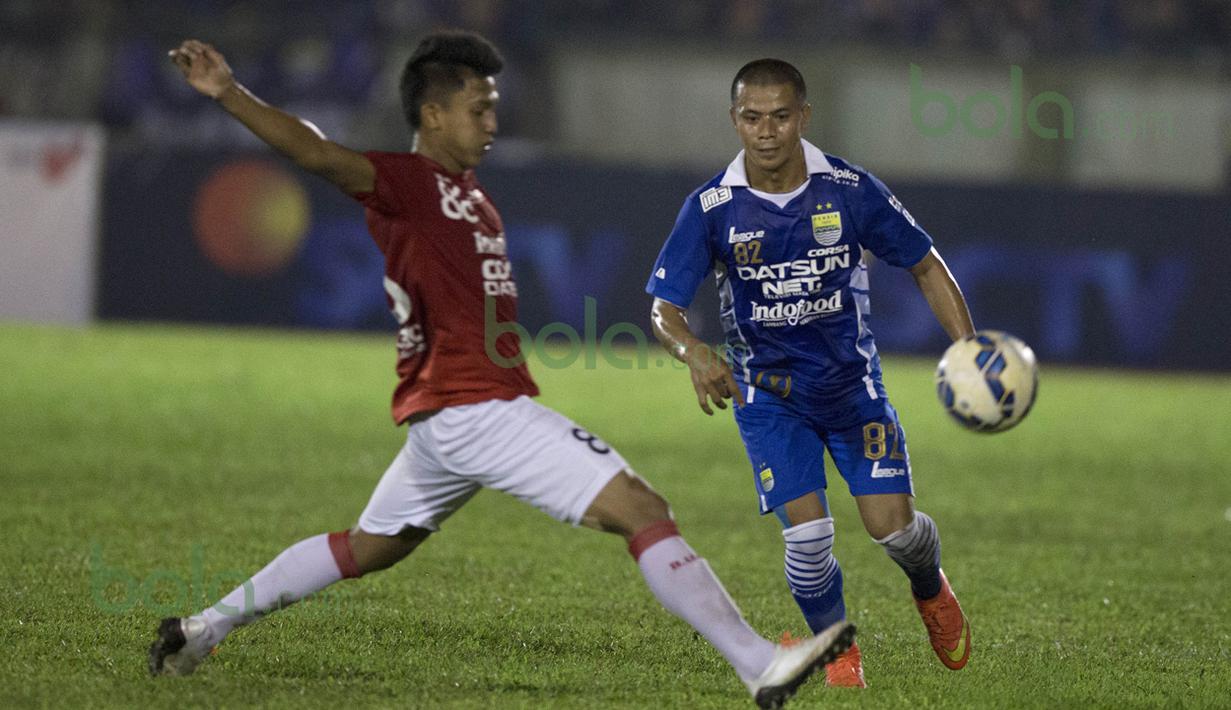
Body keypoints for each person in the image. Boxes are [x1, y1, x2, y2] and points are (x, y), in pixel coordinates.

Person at [148, 34, 854, 709]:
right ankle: (759, 664)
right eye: (478, 108)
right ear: (432, 115)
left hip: (444, 417)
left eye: (493, 105)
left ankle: (201, 629)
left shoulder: (471, 195)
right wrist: (228, 92)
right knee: (641, 509)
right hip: (473, 408)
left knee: (372, 546)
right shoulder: (408, 183)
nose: (492, 120)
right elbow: (316, 153)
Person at [647, 58, 975, 689]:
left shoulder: (850, 189)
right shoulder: (712, 207)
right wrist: (692, 350)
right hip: (768, 398)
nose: (765, 131)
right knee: (809, 537)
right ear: (735, 121)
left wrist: (966, 346)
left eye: (778, 116)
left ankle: (929, 586)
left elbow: (925, 263)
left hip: (853, 391)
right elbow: (663, 310)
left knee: (895, 531)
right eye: (751, 118)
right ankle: (837, 648)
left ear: (803, 116)